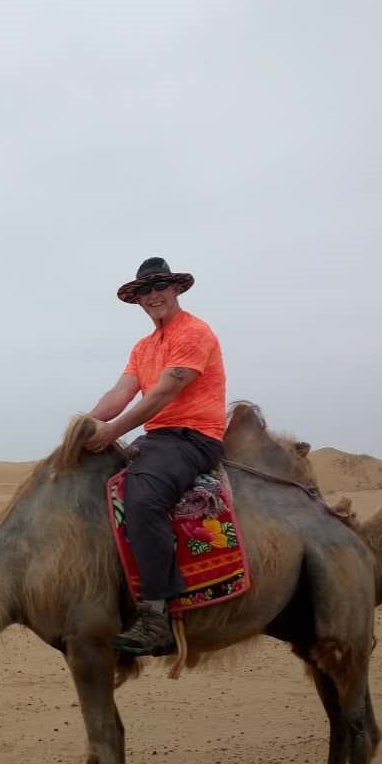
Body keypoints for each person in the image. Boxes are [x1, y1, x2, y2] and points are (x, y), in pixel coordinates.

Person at [84, 257, 226, 656]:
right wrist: (88, 423)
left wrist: (112, 431)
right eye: (145, 290)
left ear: (176, 289)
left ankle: (156, 614)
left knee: (142, 500)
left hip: (193, 437)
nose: (152, 296)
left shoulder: (195, 333)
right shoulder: (143, 347)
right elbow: (120, 394)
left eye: (160, 286)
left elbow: (164, 393)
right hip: (157, 439)